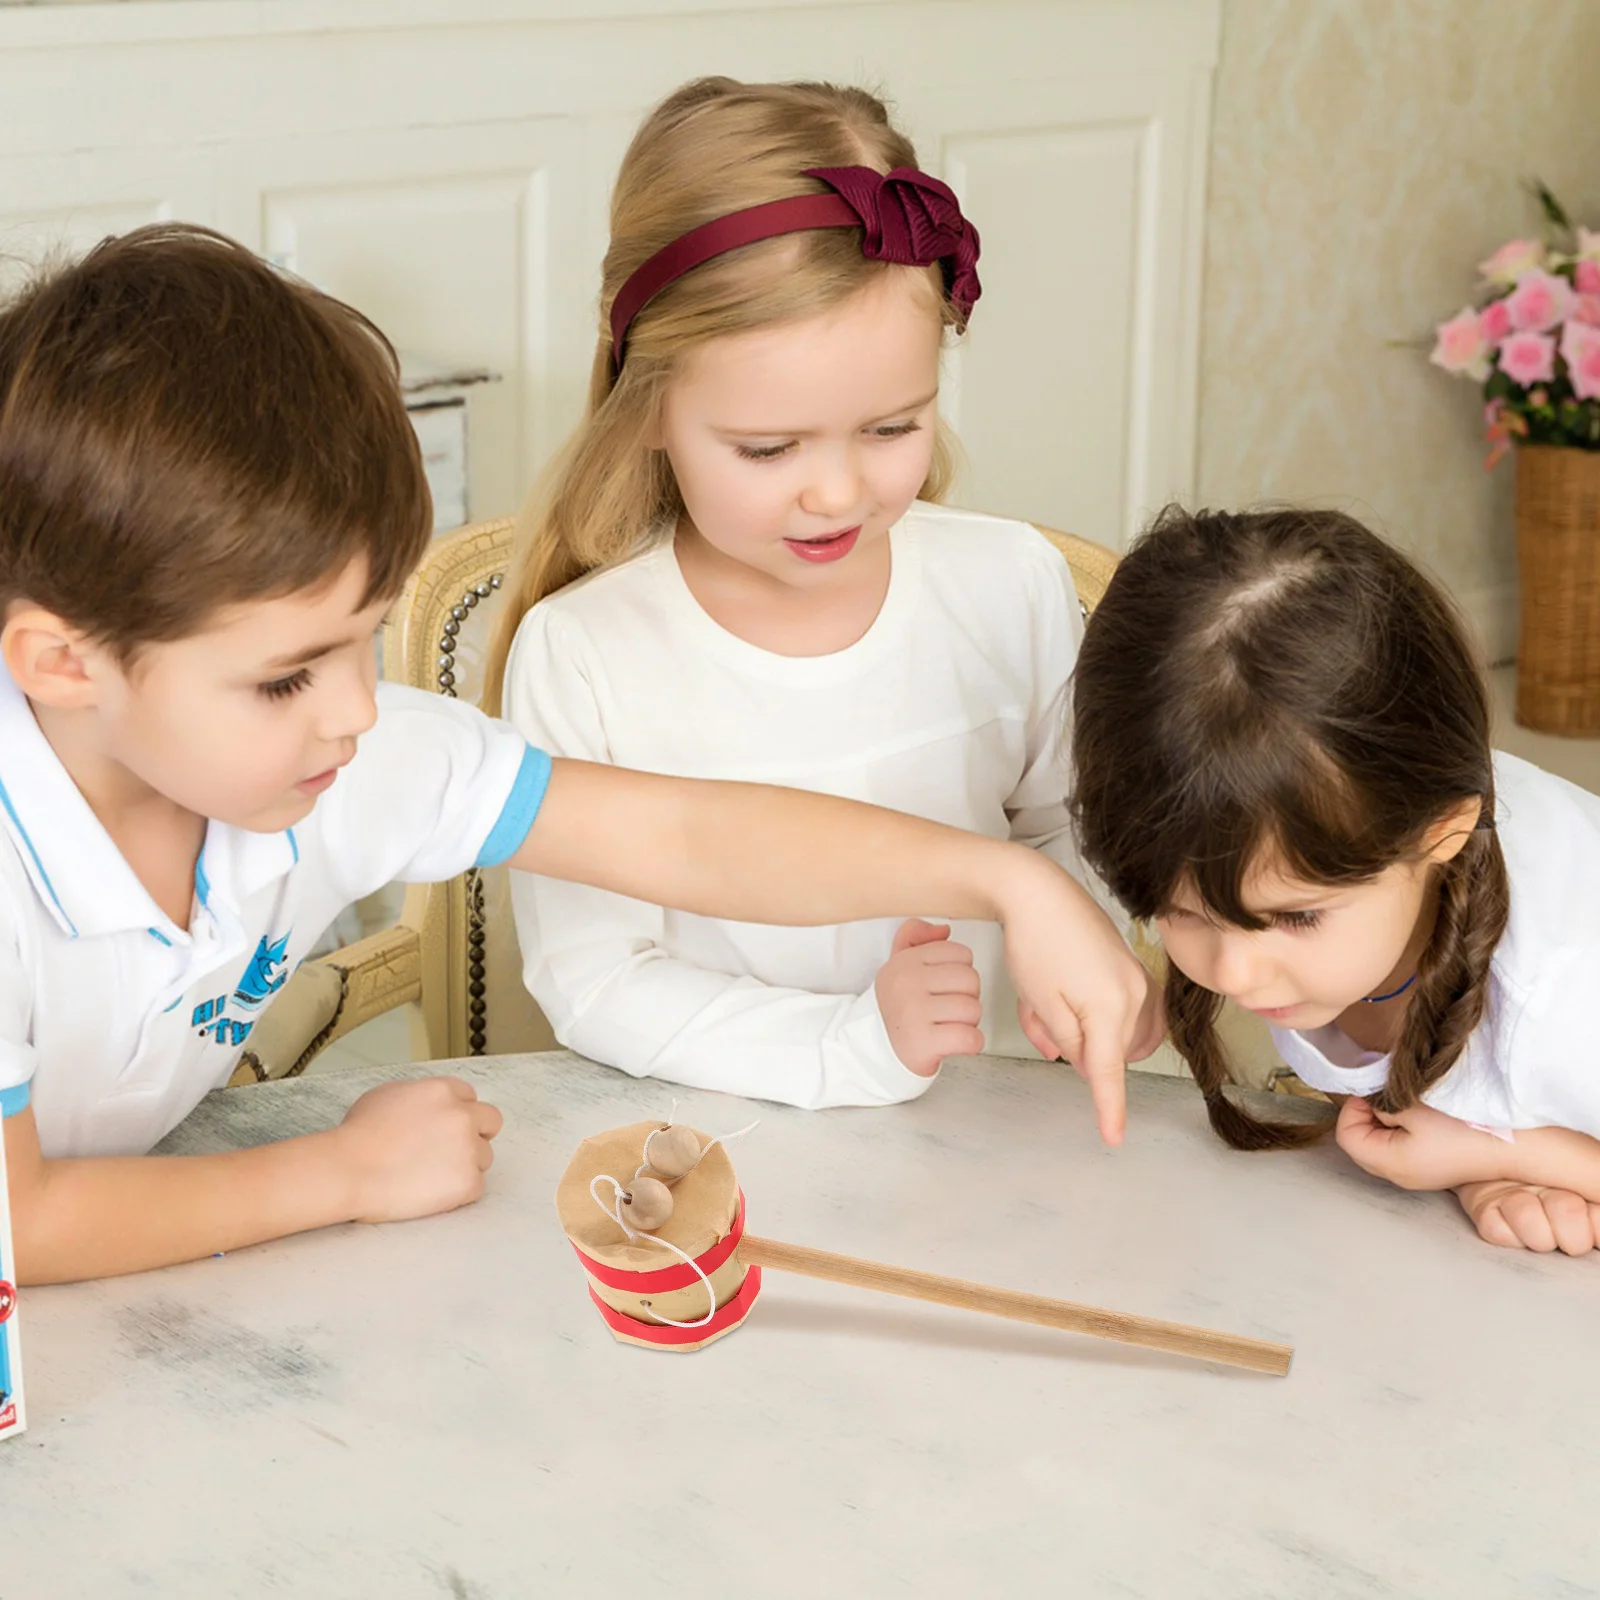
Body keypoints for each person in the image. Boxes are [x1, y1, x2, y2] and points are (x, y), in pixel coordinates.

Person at [0, 222, 1153, 1284]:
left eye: (365, 637)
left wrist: (1008, 878)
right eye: (286, 675)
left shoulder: (349, 759)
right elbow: (21, 1222)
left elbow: (687, 833)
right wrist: (338, 1173)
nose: (357, 709)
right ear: (61, 664)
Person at [487, 77, 1137, 1111]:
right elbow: (598, 976)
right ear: (643, 405)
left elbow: (1074, 828)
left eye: (891, 428)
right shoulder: (588, 653)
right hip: (731, 1149)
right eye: (767, 446)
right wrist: (853, 1043)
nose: (837, 492)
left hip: (1008, 1123)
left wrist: (1097, 948)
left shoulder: (1009, 584)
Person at [1070, 503, 1600, 1255]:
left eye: (1296, 917)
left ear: (1443, 830)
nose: (1236, 973)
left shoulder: (1570, 996)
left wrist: (1510, 1155)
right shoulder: (1351, 849)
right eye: (1182, 912)